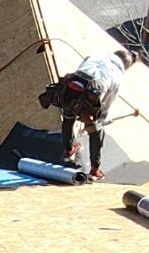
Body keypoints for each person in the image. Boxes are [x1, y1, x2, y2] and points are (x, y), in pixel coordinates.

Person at [34, 53, 120, 181]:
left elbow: (79, 71)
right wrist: (99, 118)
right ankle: (95, 169)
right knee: (95, 131)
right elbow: (107, 103)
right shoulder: (116, 74)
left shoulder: (93, 57)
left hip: (73, 86)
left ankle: (68, 151)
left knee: (68, 118)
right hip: (91, 93)